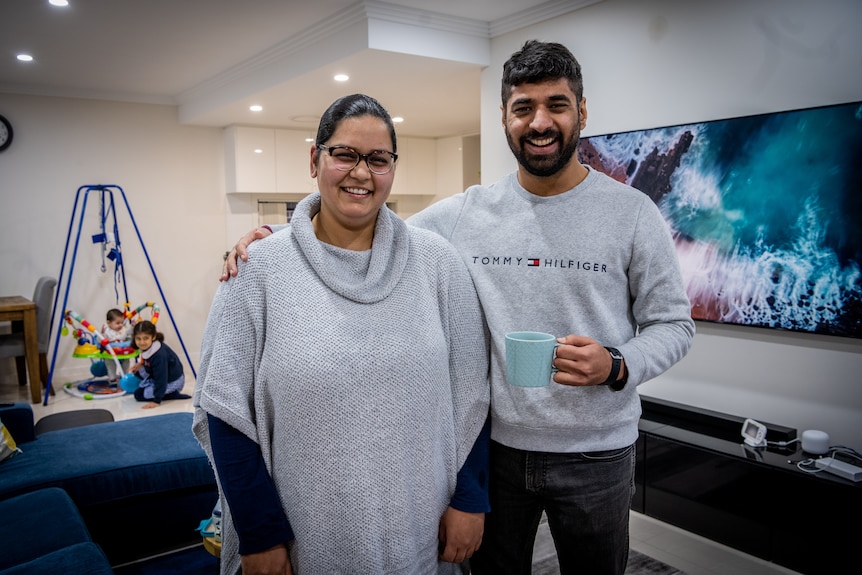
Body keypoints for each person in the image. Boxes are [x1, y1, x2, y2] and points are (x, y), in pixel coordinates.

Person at [221, 41, 695, 575]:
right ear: (504, 118)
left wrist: (617, 364)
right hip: (497, 451)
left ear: (581, 112)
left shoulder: (632, 214)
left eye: (556, 105)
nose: (540, 122)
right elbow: (360, 219)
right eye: (523, 108)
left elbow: (674, 325)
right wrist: (273, 239)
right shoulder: (466, 214)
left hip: (598, 454)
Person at [194, 93, 491, 575]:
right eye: (345, 154)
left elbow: (473, 392)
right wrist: (259, 531)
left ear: (393, 168)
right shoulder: (257, 272)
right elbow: (225, 410)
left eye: (378, 159)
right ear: (315, 159)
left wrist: (471, 498)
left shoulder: (437, 262)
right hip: (303, 537)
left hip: (421, 527)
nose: (361, 172)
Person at [127, 320, 189, 409]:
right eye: (138, 339)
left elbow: (161, 377)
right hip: (162, 376)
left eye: (145, 338)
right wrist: (141, 364)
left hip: (172, 381)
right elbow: (148, 358)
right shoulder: (150, 347)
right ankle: (156, 389)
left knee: (138, 394)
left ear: (153, 337)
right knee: (136, 372)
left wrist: (157, 400)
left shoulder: (159, 355)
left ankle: (171, 394)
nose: (142, 342)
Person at [100, 308, 131, 381]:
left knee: (126, 362)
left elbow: (128, 333)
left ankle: (125, 376)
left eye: (122, 323)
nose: (120, 325)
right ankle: (112, 378)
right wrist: (102, 333)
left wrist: (132, 326)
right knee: (110, 365)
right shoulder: (107, 331)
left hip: (123, 351)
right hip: (110, 353)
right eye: (118, 323)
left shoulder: (122, 329)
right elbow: (101, 340)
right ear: (109, 323)